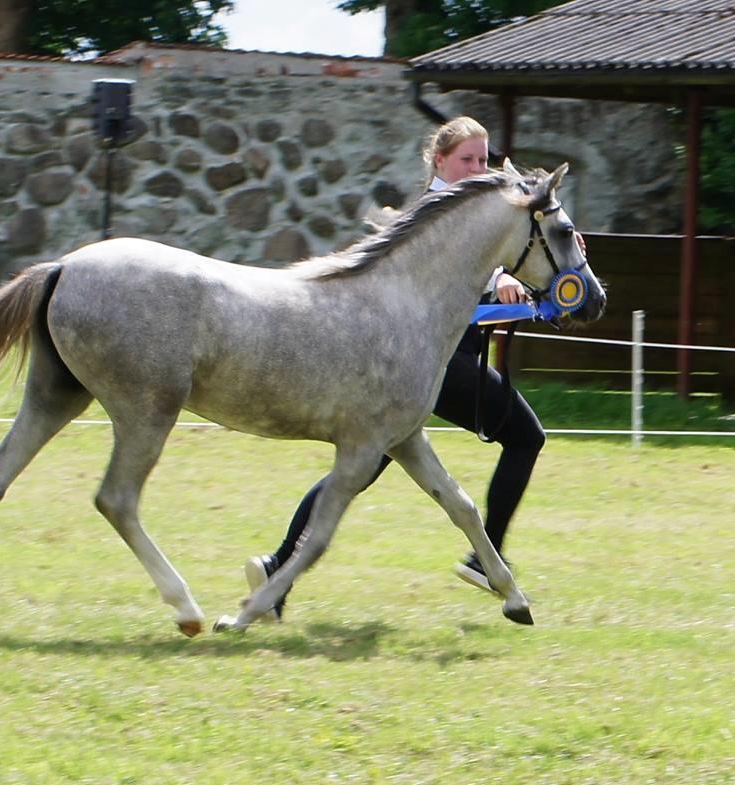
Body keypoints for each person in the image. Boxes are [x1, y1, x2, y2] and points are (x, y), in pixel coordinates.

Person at [245, 116, 574, 621]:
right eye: (466, 159)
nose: (478, 168)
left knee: (359, 468)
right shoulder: (436, 212)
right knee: (525, 436)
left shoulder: (476, 213)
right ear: (439, 162)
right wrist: (501, 280)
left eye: (483, 159)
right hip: (425, 363)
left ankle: (277, 567)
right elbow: (449, 276)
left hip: (438, 360)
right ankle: (486, 559)